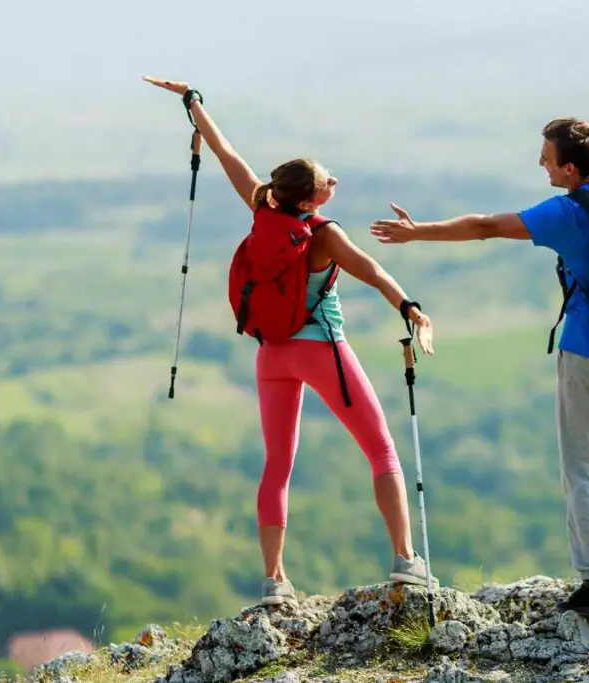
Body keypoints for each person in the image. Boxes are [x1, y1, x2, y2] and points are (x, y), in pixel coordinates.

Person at [368, 0, 589, 617]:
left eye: (546, 159)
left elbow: (486, 226)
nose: (541, 165)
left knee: (584, 473)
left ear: (570, 169)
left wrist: (417, 234)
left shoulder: (567, 213)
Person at [143, 76, 439, 606]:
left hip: (271, 355)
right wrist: (411, 308)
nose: (335, 182)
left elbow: (226, 154)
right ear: (310, 197)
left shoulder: (263, 207)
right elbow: (370, 271)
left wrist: (194, 105)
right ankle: (406, 561)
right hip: (323, 349)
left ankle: (274, 581)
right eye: (328, 181)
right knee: (380, 448)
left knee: (277, 464)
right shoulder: (322, 235)